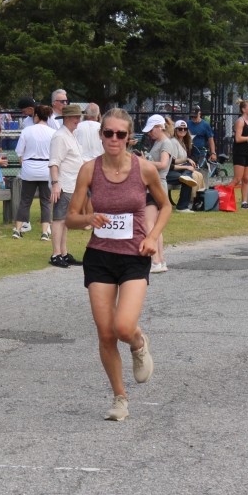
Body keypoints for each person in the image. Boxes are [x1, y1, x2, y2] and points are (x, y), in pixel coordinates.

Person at [66, 108, 170, 421]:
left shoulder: (144, 169)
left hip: (134, 256)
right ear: (101, 136)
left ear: (129, 137)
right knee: (106, 333)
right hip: (99, 257)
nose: (114, 138)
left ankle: (138, 342)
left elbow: (165, 206)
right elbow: (70, 218)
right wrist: (89, 218)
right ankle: (119, 398)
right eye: (108, 133)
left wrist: (152, 237)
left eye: (120, 134)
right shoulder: (89, 170)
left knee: (123, 327)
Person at [49, 103, 86, 267]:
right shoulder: (60, 136)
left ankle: (63, 252)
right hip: (64, 183)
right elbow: (54, 162)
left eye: (79, 117)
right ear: (67, 118)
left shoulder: (71, 135)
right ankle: (56, 253)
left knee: (65, 219)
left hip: (72, 183)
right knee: (59, 219)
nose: (78, 120)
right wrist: (55, 183)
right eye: (75, 117)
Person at [12, 104, 56, 240]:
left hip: (29, 168)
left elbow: (19, 151)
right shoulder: (53, 132)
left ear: (36, 116)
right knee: (46, 202)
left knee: (25, 200)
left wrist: (23, 159)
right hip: (46, 169)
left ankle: (17, 229)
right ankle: (45, 232)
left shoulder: (27, 130)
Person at [138, 114, 174, 273]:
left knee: (149, 224)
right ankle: (160, 260)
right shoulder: (159, 142)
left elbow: (163, 164)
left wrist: (144, 162)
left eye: (152, 130)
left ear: (160, 127)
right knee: (156, 226)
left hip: (157, 184)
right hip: (156, 184)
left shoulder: (165, 143)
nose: (149, 133)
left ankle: (155, 260)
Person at [168, 119, 205, 211]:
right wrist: (186, 164)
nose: (183, 130)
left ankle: (196, 200)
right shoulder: (173, 142)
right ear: (175, 130)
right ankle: (188, 203)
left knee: (198, 175)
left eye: (185, 129)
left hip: (181, 168)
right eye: (180, 129)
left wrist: (187, 160)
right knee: (189, 178)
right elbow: (172, 162)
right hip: (173, 170)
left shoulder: (184, 142)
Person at [231, 99, 248, 210]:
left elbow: (247, 136)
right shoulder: (240, 121)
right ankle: (223, 196)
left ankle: (244, 202)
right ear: (243, 109)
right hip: (240, 153)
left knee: (246, 179)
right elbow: (237, 138)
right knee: (237, 179)